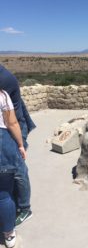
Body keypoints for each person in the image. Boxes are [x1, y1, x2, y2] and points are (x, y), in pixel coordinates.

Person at [0, 66, 32, 226]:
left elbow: (11, 121)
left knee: (18, 170)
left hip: (14, 128)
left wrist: (20, 143)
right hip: (8, 127)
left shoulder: (4, 79)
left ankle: (25, 208)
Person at [0, 89, 24, 247]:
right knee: (4, 194)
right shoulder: (2, 95)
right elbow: (12, 123)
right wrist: (21, 145)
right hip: (2, 145)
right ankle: (8, 233)